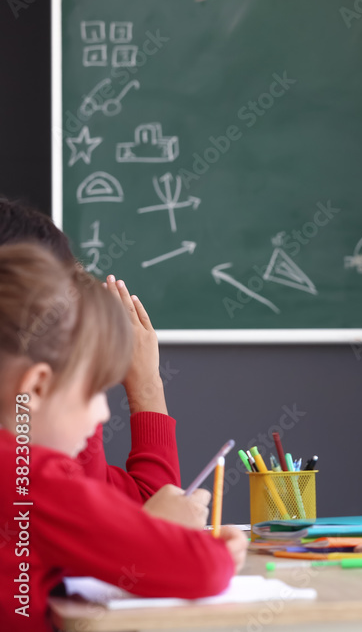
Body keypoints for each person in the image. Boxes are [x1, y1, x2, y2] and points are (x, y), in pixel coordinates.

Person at [0, 244, 246, 632]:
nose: (103, 414)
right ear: (37, 387)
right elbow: (204, 569)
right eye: (96, 390)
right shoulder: (31, 475)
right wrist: (214, 551)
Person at [0, 198, 207, 528]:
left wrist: (145, 382)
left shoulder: (51, 417)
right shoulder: (52, 417)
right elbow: (149, 527)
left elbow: (142, 509)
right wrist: (145, 386)